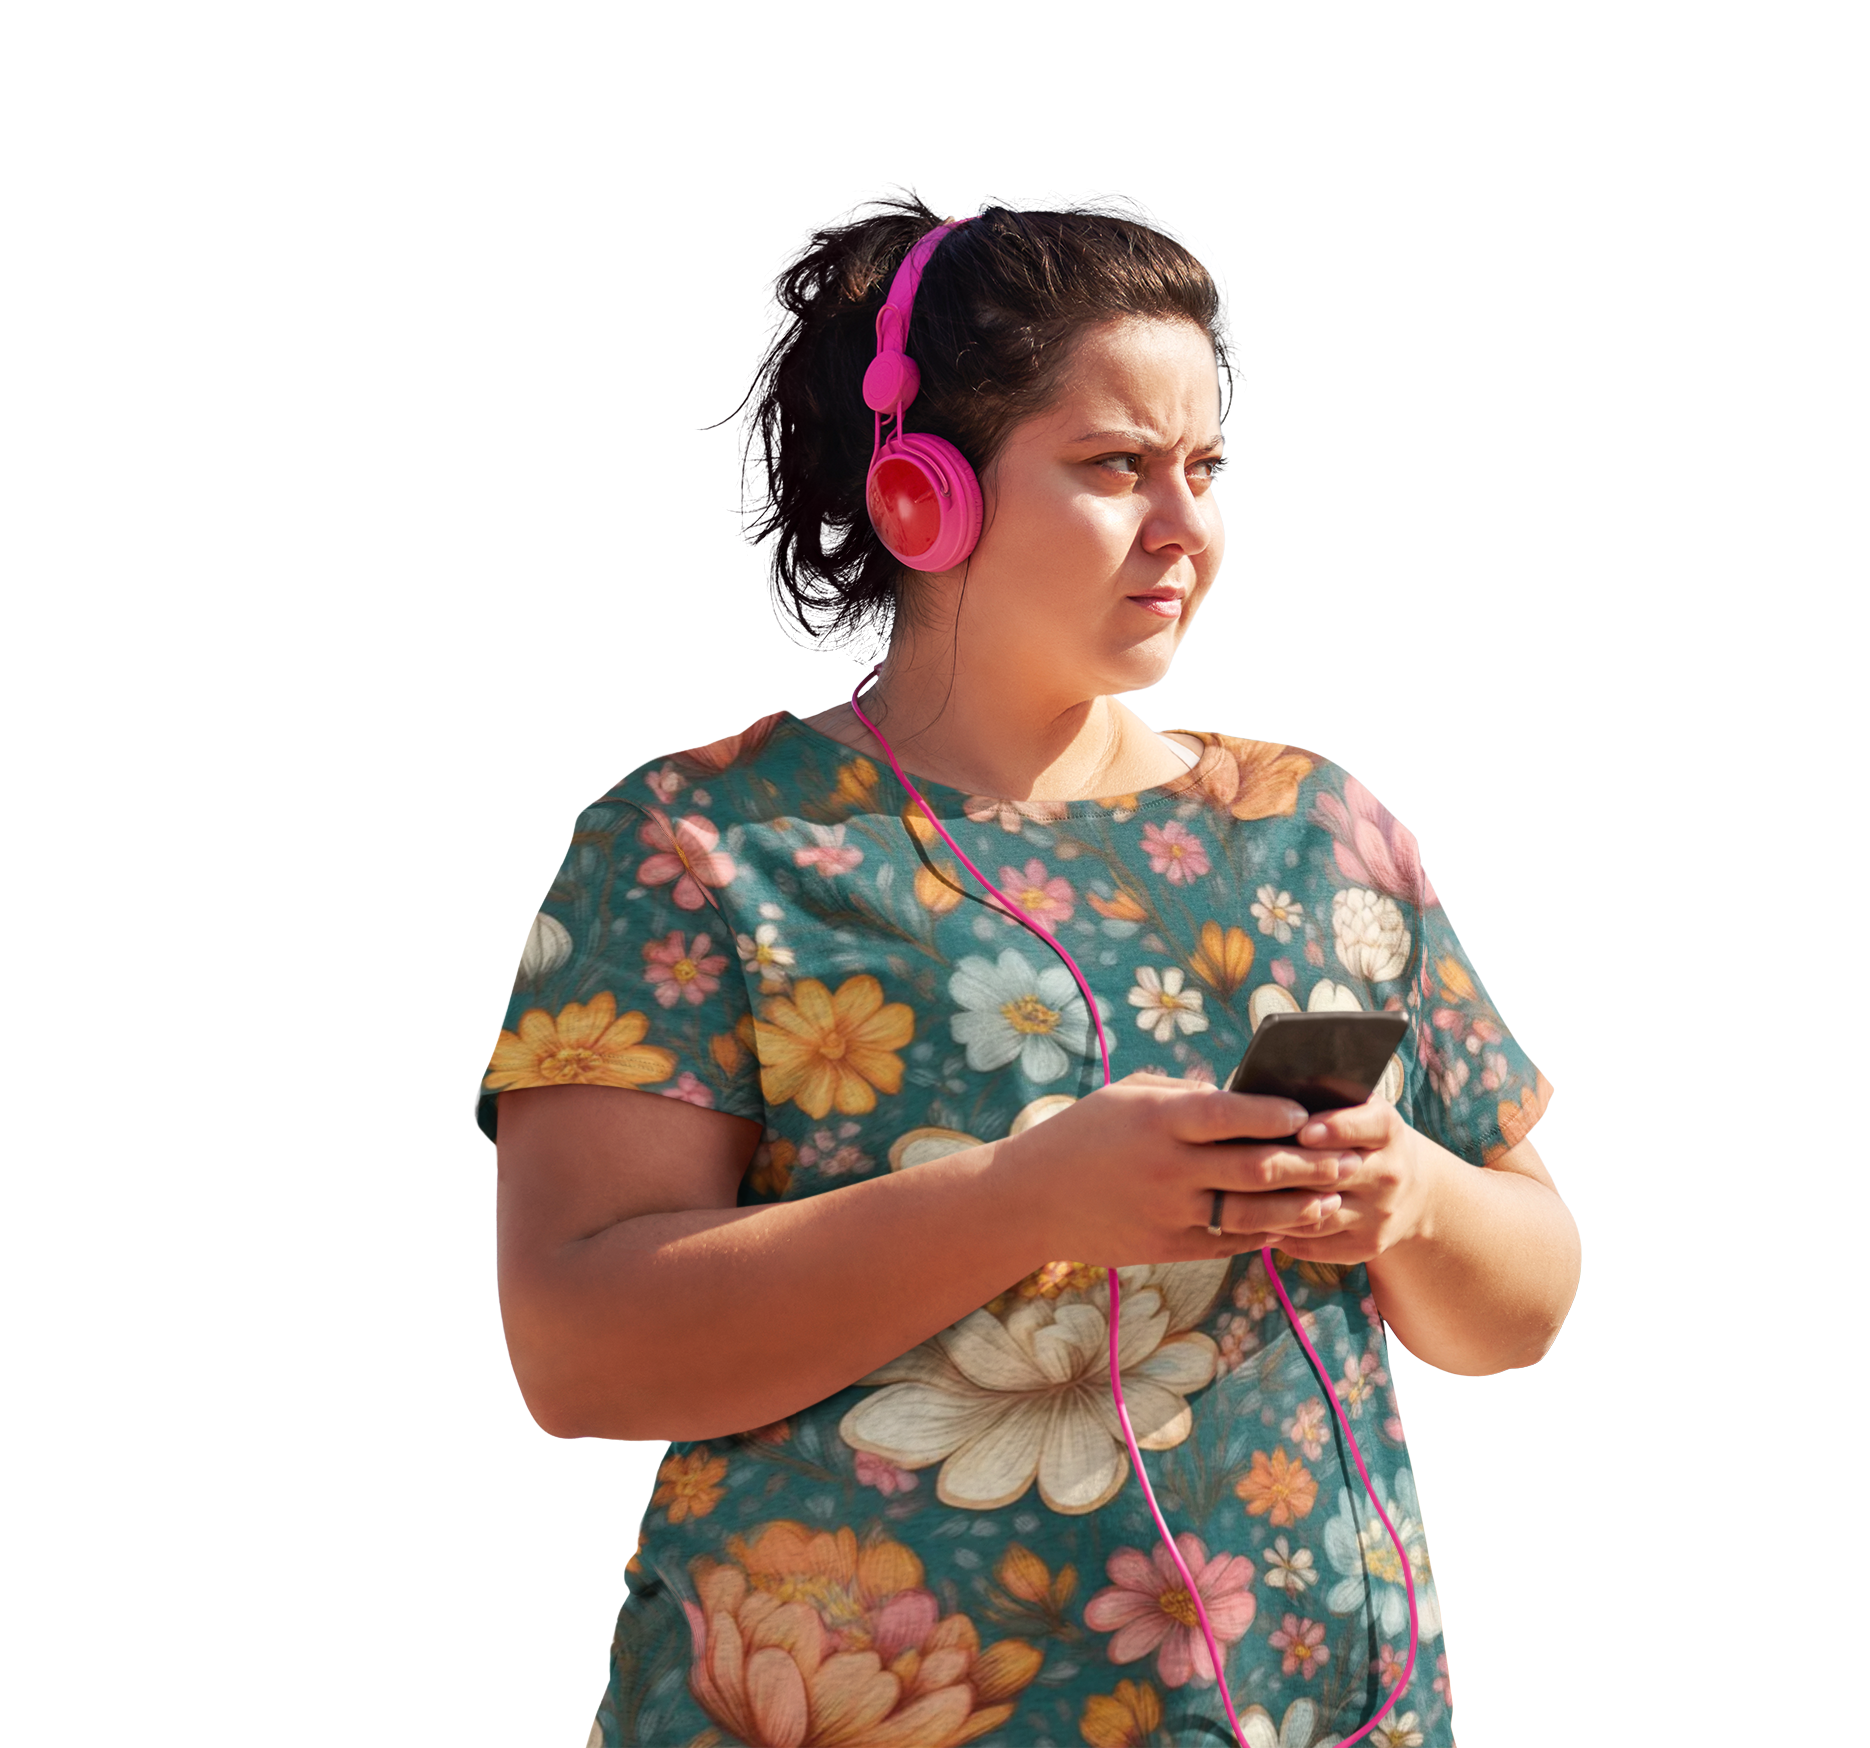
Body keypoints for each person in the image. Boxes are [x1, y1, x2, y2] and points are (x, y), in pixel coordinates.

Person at [480, 197, 1579, 1748]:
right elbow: (578, 1353)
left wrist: (1410, 1197)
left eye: (1205, 468)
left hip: (1309, 1714)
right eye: (1118, 467)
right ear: (923, 497)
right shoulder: (702, 845)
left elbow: (1523, 1303)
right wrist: (1020, 1203)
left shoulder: (1318, 831)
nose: (1184, 525)